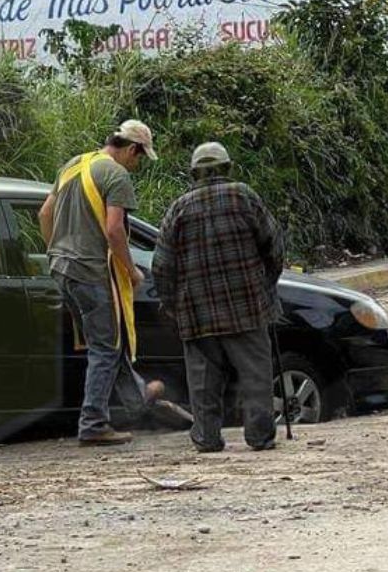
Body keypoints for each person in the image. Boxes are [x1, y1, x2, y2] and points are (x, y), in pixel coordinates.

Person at [152, 142, 285, 452]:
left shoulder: (179, 207)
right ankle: (260, 436)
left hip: (197, 312)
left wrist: (174, 305)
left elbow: (162, 266)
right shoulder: (244, 196)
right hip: (247, 307)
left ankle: (207, 438)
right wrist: (266, 284)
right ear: (227, 168)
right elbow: (274, 246)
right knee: (256, 377)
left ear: (194, 173)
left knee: (203, 382)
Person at [38, 120, 163, 446]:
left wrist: (57, 253)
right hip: (90, 273)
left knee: (106, 339)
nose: (136, 165)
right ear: (131, 149)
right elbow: (114, 230)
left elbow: (45, 214)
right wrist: (132, 270)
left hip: (63, 270)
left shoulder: (75, 164)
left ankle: (137, 398)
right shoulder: (116, 175)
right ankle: (93, 423)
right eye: (139, 157)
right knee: (104, 347)